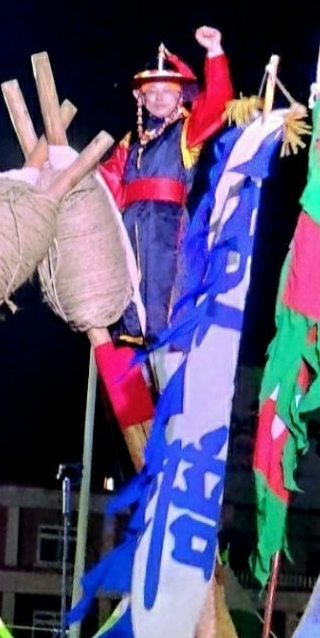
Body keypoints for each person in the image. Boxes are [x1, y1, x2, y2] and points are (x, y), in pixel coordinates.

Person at [93, 29, 234, 431]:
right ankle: (136, 422)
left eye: (166, 91)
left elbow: (218, 103)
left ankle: (176, 422)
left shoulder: (187, 132)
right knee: (128, 324)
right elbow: (104, 181)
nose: (158, 98)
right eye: (151, 91)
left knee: (165, 321)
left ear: (180, 96)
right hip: (129, 234)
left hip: (166, 234)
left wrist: (214, 51)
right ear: (139, 97)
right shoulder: (129, 142)